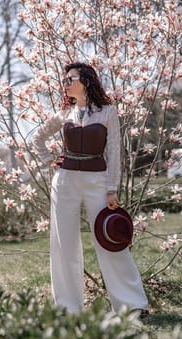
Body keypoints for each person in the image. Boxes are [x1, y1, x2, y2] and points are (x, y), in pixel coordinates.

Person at [32, 62, 148, 315]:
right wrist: (49, 161)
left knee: (109, 239)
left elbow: (115, 152)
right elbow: (37, 137)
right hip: (64, 183)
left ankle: (132, 305)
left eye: (69, 79)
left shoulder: (108, 112)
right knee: (64, 244)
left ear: (85, 80)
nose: (65, 84)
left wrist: (112, 188)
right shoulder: (65, 114)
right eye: (64, 80)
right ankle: (67, 309)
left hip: (98, 181)